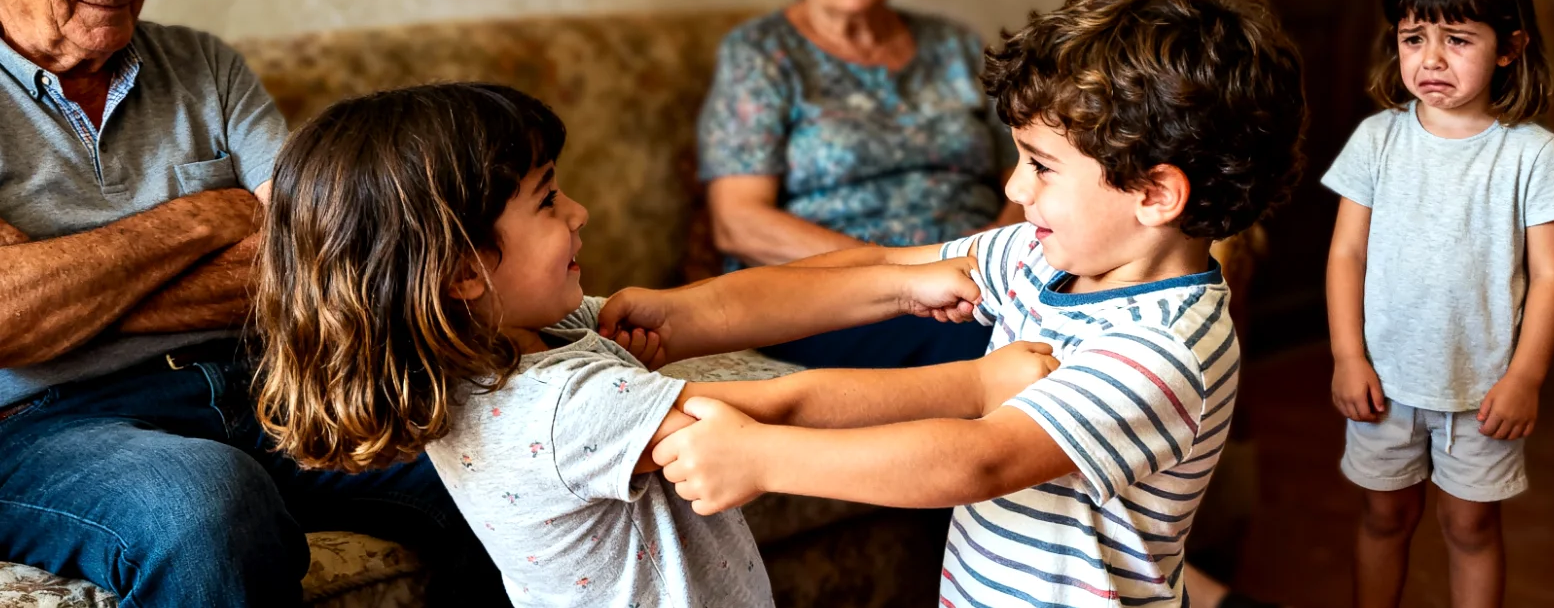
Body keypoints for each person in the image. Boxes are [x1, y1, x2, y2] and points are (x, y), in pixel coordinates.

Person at [619, 0, 1309, 608]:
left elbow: (979, 457)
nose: (1013, 189)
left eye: (1041, 164)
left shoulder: (1163, 349)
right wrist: (681, 313)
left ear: (1154, 192)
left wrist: (761, 456)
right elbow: (869, 274)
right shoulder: (1038, 257)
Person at [253, 82, 1062, 608]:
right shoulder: (562, 404)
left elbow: (723, 306)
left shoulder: (523, 340)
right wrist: (978, 385)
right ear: (464, 269)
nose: (581, 212)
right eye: (547, 201)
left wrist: (904, 281)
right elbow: (783, 404)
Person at [0, 0, 501, 605]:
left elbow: (323, 262)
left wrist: (69, 293)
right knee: (201, 499)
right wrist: (209, 214)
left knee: (504, 443)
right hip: (44, 427)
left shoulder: (208, 68)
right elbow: (7, 318)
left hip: (265, 381)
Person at [1322, 0, 1554, 608]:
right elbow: (1346, 254)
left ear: (1510, 46)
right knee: (1385, 515)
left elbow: (1552, 275)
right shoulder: (1376, 140)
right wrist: (1347, 355)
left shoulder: (1532, 153)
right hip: (1384, 380)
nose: (1430, 59)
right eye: (1414, 37)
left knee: (1470, 524)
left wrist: (1526, 377)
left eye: (1457, 39)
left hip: (1484, 386)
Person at [697, 0, 1020, 368]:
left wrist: (991, 254)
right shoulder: (762, 53)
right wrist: (901, 276)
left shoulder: (955, 45)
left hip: (974, 282)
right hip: (829, 297)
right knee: (1001, 349)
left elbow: (1029, 168)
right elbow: (740, 221)